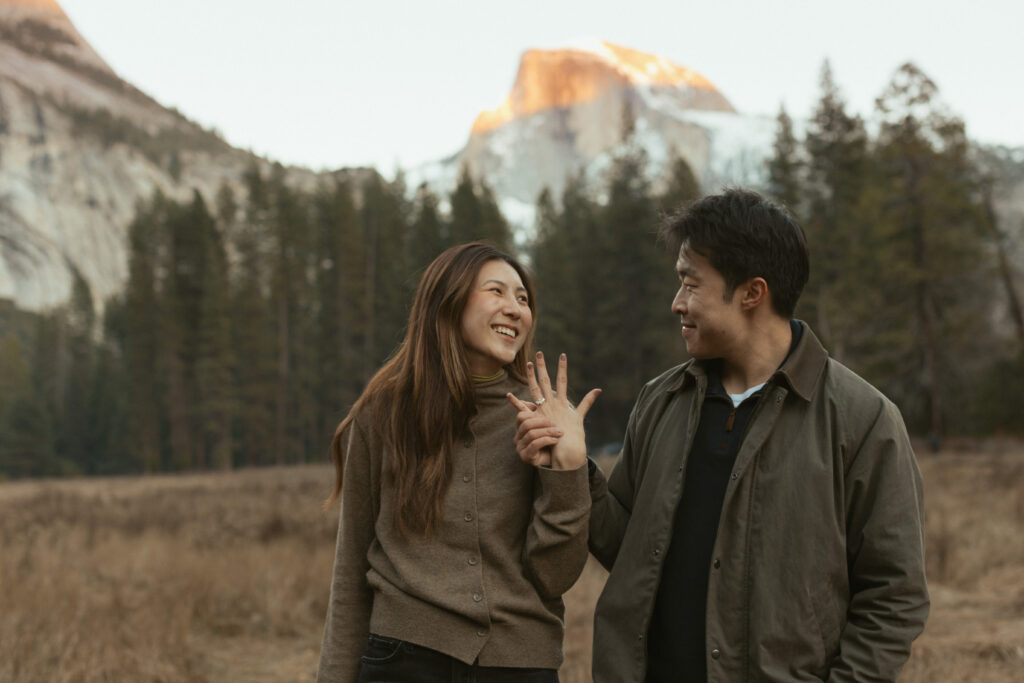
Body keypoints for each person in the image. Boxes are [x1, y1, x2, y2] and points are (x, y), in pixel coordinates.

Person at [511, 190, 929, 682]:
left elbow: (894, 596)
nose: (677, 304)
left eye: (690, 285)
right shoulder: (660, 400)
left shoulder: (862, 419)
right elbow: (630, 549)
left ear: (752, 293)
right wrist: (572, 464)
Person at [316, 241, 597, 683]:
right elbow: (351, 568)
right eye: (496, 291)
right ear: (447, 303)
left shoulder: (544, 419)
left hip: (519, 666)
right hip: (403, 662)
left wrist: (566, 469)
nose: (515, 309)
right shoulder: (381, 413)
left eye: (523, 299)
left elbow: (555, 576)